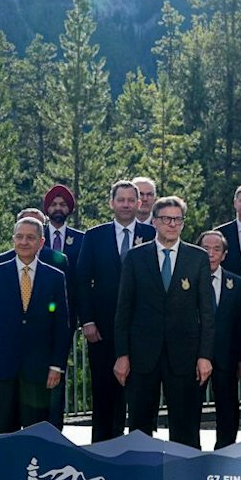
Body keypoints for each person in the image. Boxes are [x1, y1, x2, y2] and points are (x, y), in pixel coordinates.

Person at [115, 195, 215, 447]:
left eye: (177, 219)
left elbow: (206, 312)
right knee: (139, 425)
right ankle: (139, 477)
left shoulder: (198, 258)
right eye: (166, 219)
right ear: (155, 222)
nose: (172, 224)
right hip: (142, 354)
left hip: (185, 355)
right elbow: (124, 309)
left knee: (185, 426)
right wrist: (122, 354)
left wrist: (205, 356)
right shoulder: (136, 257)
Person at [0, 217, 72, 434]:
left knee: (35, 433)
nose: (24, 242)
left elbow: (61, 326)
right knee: (1, 431)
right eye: (19, 237)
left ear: (41, 242)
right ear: (13, 239)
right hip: (1, 367)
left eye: (30, 237)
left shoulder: (55, 277)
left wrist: (57, 365)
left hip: (39, 369)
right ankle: (2, 469)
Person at [71, 179, 154, 441]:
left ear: (139, 203)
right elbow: (81, 279)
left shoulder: (152, 235)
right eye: (122, 199)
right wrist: (87, 320)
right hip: (103, 328)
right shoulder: (95, 236)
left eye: (132, 199)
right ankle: (103, 449)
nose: (127, 205)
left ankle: (141, 449)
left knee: (142, 393)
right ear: (112, 203)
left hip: (142, 328)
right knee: (104, 390)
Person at [201, 231, 241, 449]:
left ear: (224, 254)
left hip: (227, 358)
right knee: (189, 409)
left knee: (228, 409)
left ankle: (225, 453)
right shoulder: (187, 280)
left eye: (216, 249)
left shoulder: (236, 283)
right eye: (205, 249)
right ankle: (190, 455)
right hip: (194, 357)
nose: (210, 254)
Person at [42, 184, 84, 260]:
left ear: (69, 208)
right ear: (47, 208)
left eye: (63, 205)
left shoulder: (81, 239)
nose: (58, 208)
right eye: (53, 204)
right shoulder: (38, 237)